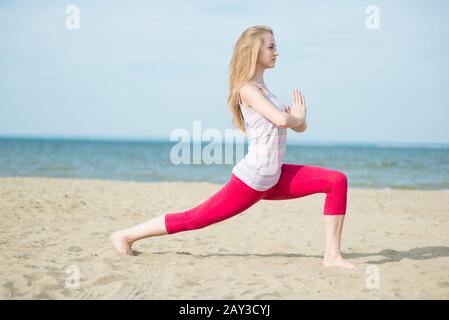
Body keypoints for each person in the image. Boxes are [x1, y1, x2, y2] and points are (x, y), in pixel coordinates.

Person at [111, 25, 358, 269]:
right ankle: (125, 236)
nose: (276, 52)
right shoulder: (247, 90)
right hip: (253, 179)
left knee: (336, 180)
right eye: (271, 47)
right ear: (254, 51)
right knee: (194, 219)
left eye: (275, 47)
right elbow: (284, 120)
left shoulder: (267, 93)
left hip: (274, 176)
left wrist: (299, 117)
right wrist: (295, 118)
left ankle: (332, 256)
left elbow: (297, 126)